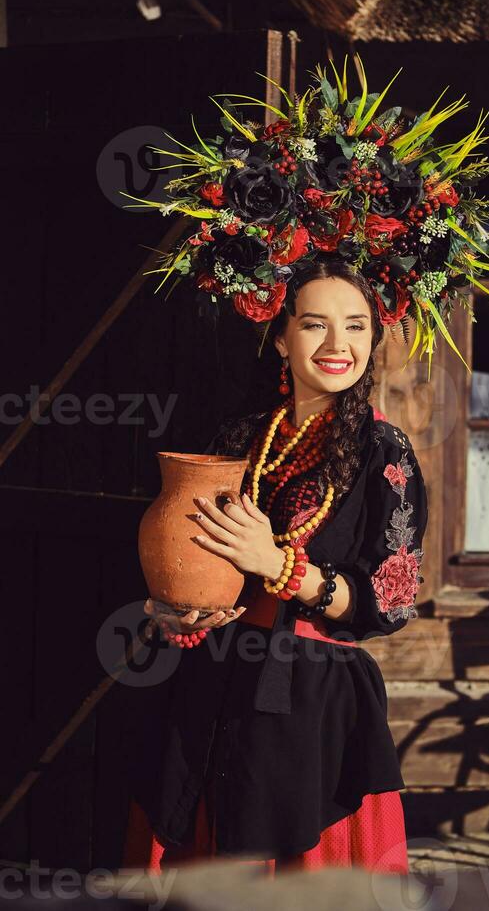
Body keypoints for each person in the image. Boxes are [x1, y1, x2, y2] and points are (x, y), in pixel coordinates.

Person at [121, 259, 428, 876]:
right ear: (282, 338)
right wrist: (185, 610)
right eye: (315, 325)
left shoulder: (382, 449)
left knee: (294, 878)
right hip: (215, 678)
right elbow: (202, 550)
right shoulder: (243, 435)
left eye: (357, 327)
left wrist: (279, 567)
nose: (338, 345)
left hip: (310, 695)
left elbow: (390, 600)